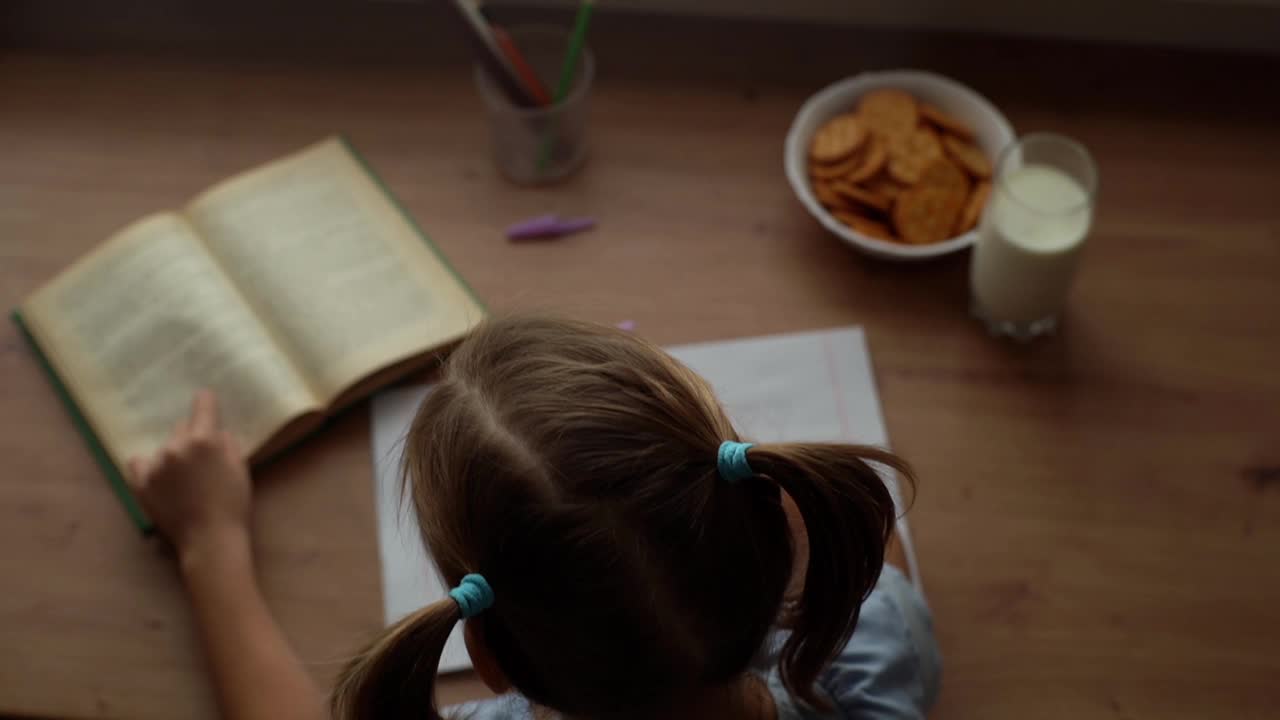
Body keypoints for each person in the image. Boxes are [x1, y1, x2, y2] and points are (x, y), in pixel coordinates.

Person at [129, 316, 940, 720]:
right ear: (772, 530)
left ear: (484, 650)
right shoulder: (874, 646)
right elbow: (873, 564)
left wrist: (211, 543)